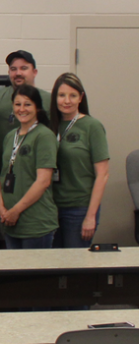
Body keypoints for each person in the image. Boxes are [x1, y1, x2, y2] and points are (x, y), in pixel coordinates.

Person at [50, 73, 109, 249]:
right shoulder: (49, 126)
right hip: (51, 208)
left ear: (80, 98)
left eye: (72, 95)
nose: (66, 101)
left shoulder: (92, 126)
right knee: (51, 264)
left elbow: (103, 174)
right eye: (61, 95)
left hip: (79, 208)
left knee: (74, 266)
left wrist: (90, 216)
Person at [0, 85, 58, 249]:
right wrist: (1, 206)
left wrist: (16, 210)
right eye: (17, 104)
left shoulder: (44, 136)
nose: (22, 109)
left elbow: (43, 181)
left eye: (27, 104)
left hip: (35, 223)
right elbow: (3, 176)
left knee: (34, 274)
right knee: (15, 274)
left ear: (37, 108)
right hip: (10, 223)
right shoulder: (11, 136)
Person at [0, 50, 51, 139]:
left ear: (34, 72)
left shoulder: (48, 99)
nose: (18, 73)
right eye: (13, 69)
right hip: (5, 152)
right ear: (9, 72)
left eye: (24, 68)